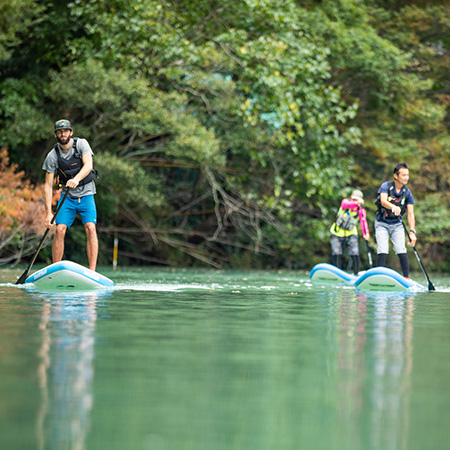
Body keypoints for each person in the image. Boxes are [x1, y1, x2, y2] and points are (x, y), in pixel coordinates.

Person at [42, 119, 98, 270]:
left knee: (90, 227)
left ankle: (92, 271)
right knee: (59, 229)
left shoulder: (81, 144)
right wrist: (48, 213)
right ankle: (55, 269)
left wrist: (76, 179)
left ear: (71, 132)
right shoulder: (52, 156)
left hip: (86, 194)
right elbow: (48, 186)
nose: (63, 134)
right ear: (56, 135)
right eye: (59, 132)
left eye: (65, 131)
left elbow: (88, 165)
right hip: (67, 197)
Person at [374, 162, 417, 278]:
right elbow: (383, 201)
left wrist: (412, 232)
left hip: (397, 224)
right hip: (382, 223)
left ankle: (406, 278)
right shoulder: (386, 186)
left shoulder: (407, 193)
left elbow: (410, 214)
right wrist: (393, 206)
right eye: (403, 175)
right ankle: (378, 277)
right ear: (396, 176)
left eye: (407, 175)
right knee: (383, 249)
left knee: (401, 249)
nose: (406, 178)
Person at [330, 189, 370, 275]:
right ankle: (337, 273)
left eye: (357, 200)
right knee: (336, 253)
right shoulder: (345, 203)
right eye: (353, 199)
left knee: (354, 253)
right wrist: (356, 203)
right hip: (336, 233)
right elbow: (345, 205)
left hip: (351, 233)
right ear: (350, 198)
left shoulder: (361, 211)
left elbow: (363, 222)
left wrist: (365, 233)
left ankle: (356, 274)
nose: (354, 201)